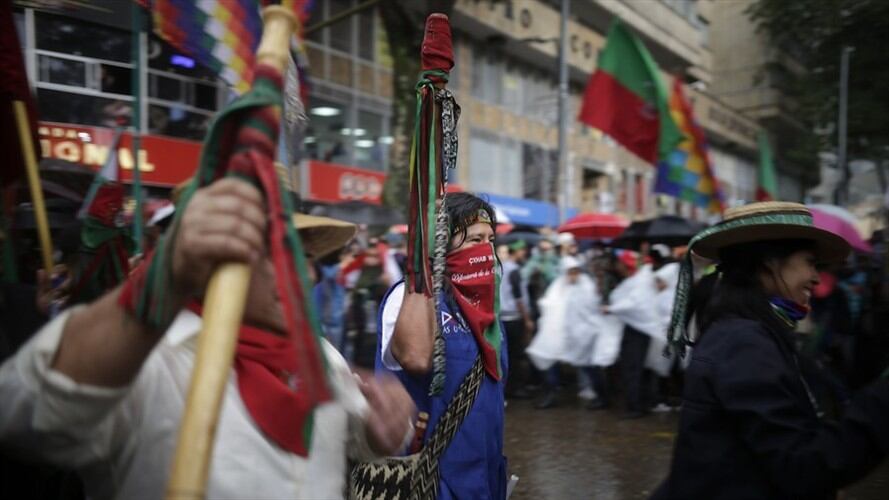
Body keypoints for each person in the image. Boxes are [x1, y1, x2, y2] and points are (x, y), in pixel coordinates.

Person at [0, 179, 415, 500]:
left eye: (304, 258)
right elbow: (26, 417)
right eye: (277, 253)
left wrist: (384, 431)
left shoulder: (320, 357)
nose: (304, 275)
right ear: (212, 258)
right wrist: (156, 289)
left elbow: (357, 437)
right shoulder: (145, 359)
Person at [653, 202, 889, 499]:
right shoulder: (743, 344)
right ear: (769, 262)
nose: (816, 277)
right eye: (810, 262)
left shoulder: (746, 332)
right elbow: (802, 468)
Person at [377, 192, 507, 499]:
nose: (486, 251)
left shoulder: (488, 308)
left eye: (490, 240)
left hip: (484, 474)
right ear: (441, 243)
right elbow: (415, 359)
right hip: (431, 479)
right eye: (475, 240)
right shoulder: (409, 298)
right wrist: (423, 273)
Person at [526, 256, 604, 409]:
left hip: (582, 335)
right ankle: (550, 394)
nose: (573, 275)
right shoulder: (558, 287)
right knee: (550, 360)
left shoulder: (587, 286)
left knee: (589, 366)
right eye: (570, 272)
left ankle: (602, 396)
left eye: (576, 271)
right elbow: (549, 305)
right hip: (560, 333)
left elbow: (592, 308)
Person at [603, 250, 661, 418]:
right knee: (638, 369)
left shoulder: (640, 281)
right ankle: (641, 404)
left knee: (632, 369)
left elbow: (634, 303)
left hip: (637, 331)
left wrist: (610, 309)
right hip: (638, 329)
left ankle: (635, 407)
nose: (617, 266)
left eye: (620, 263)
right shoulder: (638, 280)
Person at [500, 240, 533, 399]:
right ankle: (515, 389)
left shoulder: (500, 268)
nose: (524, 253)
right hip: (514, 318)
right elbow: (519, 297)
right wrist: (527, 319)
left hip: (501, 318)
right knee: (515, 355)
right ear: (516, 251)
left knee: (504, 355)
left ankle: (505, 387)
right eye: (522, 251)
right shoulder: (514, 270)